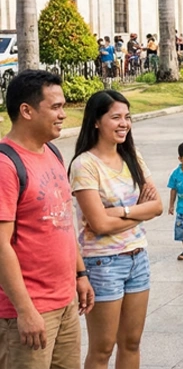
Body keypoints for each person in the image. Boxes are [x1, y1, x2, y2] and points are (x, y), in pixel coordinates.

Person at [0, 71, 94, 369]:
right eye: (55, 107)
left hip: (65, 302)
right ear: (26, 111)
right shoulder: (5, 165)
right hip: (26, 311)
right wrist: (25, 310)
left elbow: (63, 220)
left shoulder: (51, 151)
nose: (63, 115)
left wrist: (80, 275)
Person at [69, 90, 163, 369]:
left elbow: (157, 206)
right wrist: (139, 213)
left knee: (132, 342)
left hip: (138, 257)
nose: (124, 123)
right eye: (116, 117)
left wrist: (120, 212)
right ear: (96, 121)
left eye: (127, 117)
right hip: (102, 263)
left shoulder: (131, 155)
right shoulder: (84, 164)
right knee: (103, 348)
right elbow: (98, 224)